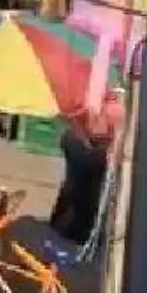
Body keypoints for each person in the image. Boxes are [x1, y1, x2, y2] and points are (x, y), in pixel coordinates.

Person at [51, 96, 121, 244]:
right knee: (86, 195)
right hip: (88, 146)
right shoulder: (116, 109)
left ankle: (62, 231)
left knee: (74, 190)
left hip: (79, 139)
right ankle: (75, 235)